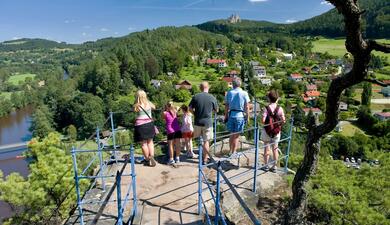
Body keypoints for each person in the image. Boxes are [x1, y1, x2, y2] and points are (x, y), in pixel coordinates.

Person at [189, 81, 218, 164]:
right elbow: (217, 110)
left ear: (200, 88)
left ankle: (201, 155)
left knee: (199, 140)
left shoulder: (196, 96)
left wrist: (195, 114)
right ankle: (205, 159)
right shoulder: (212, 97)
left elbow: (190, 108)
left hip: (198, 122)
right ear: (208, 87)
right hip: (207, 123)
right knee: (206, 141)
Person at [224, 77, 250, 155]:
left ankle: (230, 151)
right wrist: (247, 117)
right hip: (240, 115)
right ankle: (234, 152)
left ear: (233, 84)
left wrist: (226, 116)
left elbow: (226, 106)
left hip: (231, 115)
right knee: (236, 136)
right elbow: (247, 107)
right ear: (240, 84)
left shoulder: (229, 93)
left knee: (231, 134)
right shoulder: (244, 93)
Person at [261, 90, 285, 172]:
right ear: (277, 99)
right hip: (276, 131)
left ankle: (266, 165)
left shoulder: (266, 108)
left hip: (267, 131)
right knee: (275, 149)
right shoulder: (280, 108)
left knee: (266, 148)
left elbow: (263, 121)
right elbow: (283, 120)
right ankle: (275, 167)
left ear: (269, 98)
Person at [133, 90, 157, 167]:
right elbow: (154, 107)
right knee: (150, 142)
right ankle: (152, 156)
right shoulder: (149, 103)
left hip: (141, 126)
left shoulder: (137, 105)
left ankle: (147, 159)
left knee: (143, 144)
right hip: (149, 124)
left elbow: (134, 111)